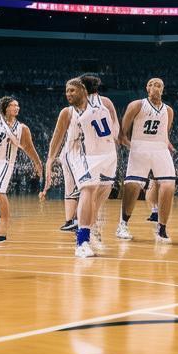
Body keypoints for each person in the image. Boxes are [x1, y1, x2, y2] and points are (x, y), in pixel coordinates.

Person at [63, 77, 118, 258]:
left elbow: (72, 139)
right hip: (107, 152)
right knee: (91, 192)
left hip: (93, 153)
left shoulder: (78, 111)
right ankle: (84, 237)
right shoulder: (105, 104)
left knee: (89, 195)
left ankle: (85, 231)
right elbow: (115, 129)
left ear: (83, 90)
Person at [0, 96, 42, 243]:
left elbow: (29, 148)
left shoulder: (22, 128)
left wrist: (37, 163)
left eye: (18, 105)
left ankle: (3, 227)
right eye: (13, 105)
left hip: (3, 162)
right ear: (5, 107)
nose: (17, 108)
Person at [118, 77, 176, 242]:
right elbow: (122, 134)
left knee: (168, 185)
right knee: (133, 186)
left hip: (160, 149)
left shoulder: (168, 110)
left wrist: (169, 145)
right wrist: (132, 146)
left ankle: (162, 228)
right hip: (139, 146)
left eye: (158, 84)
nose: (154, 86)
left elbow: (165, 134)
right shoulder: (137, 105)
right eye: (151, 84)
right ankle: (123, 224)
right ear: (147, 88)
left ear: (163, 89)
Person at [43, 102, 80, 231]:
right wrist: (50, 160)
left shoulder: (96, 108)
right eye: (67, 90)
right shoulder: (68, 112)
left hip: (86, 154)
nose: (69, 93)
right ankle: (72, 220)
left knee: (81, 188)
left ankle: (75, 220)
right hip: (72, 153)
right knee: (74, 188)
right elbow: (57, 137)